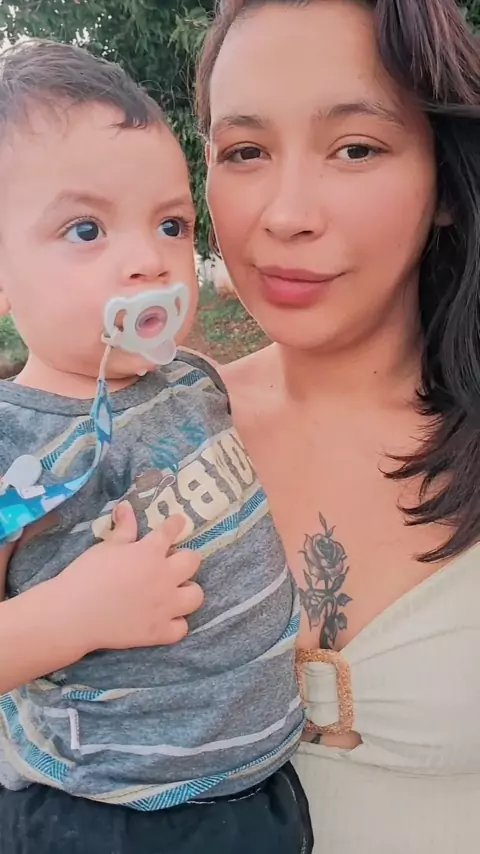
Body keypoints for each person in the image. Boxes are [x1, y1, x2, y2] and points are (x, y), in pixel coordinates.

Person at [0, 40, 312, 854]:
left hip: (258, 787)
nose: (148, 261)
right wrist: (69, 616)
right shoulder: (12, 442)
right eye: (86, 229)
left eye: (171, 225)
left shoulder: (191, 381)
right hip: (110, 814)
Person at [195, 0, 480, 851]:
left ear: (444, 184)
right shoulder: (134, 441)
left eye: (355, 148)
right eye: (245, 152)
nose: (286, 214)